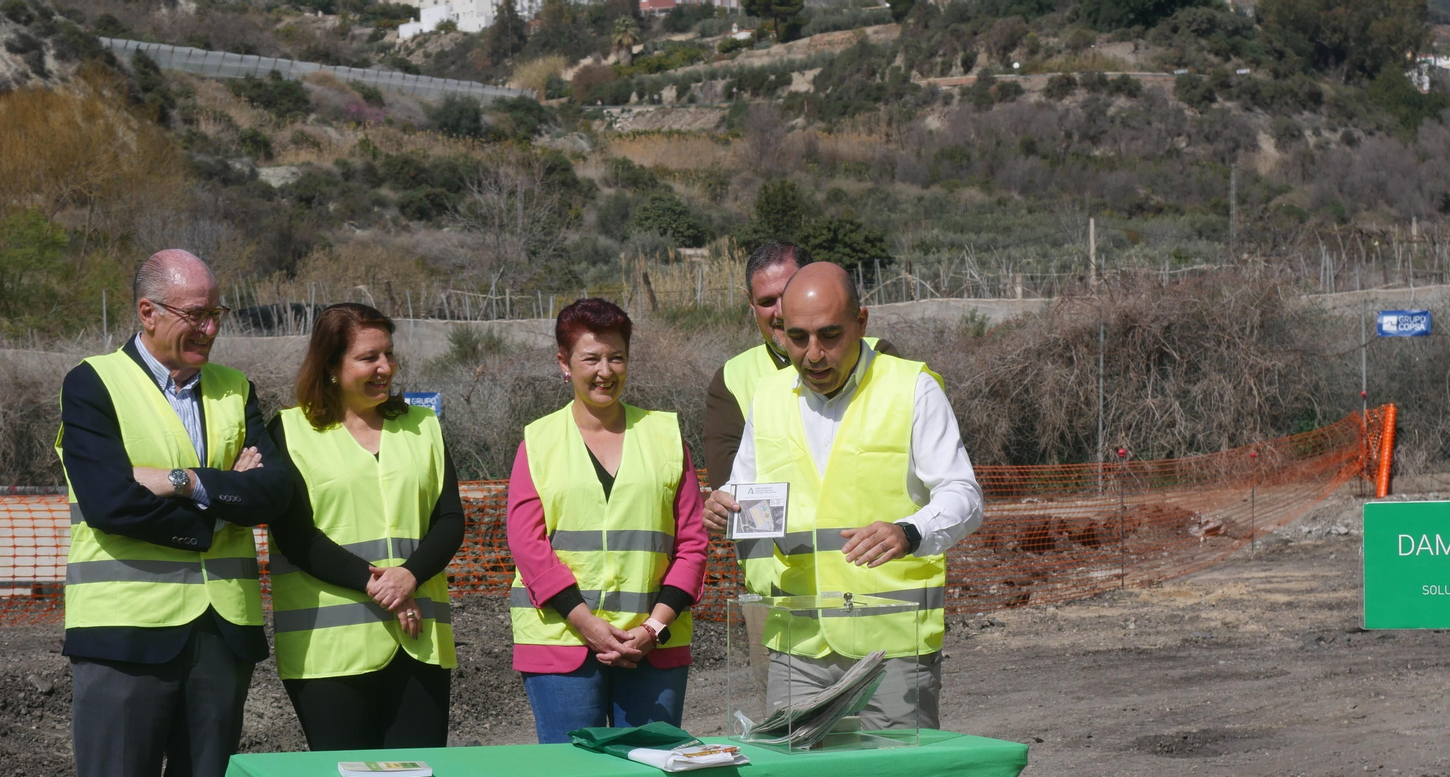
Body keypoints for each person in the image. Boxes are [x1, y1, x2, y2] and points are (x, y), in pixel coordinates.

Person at [56, 249, 291, 777]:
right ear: (147, 312)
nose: (208, 328)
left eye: (214, 312)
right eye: (192, 313)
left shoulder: (236, 391)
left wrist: (185, 482)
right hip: (124, 636)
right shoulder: (92, 385)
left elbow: (278, 492)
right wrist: (223, 491)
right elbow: (111, 500)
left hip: (217, 633)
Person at [703, 262, 983, 730]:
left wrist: (910, 532)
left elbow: (963, 494)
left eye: (830, 336)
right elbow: (746, 489)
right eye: (797, 338)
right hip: (798, 643)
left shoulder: (911, 388)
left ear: (862, 322)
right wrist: (723, 504)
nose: (813, 354)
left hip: (890, 646)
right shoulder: (768, 397)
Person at [508, 298, 708, 743]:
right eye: (591, 358)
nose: (605, 370)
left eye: (616, 357)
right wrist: (585, 623)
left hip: (651, 647)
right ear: (564, 363)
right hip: (560, 642)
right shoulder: (538, 441)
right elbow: (527, 544)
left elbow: (692, 544)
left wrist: (653, 628)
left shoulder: (666, 436)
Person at [266, 303, 464, 751]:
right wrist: (382, 586)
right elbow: (296, 537)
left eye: (389, 355)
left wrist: (410, 575)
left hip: (419, 644)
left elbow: (449, 519)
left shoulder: (423, 426)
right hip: (330, 653)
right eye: (368, 357)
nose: (384, 368)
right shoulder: (289, 431)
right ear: (331, 366)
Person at [701, 241, 899, 489]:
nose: (782, 311)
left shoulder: (878, 356)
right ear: (750, 303)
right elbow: (733, 487)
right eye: (767, 301)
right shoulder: (732, 379)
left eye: (790, 293)